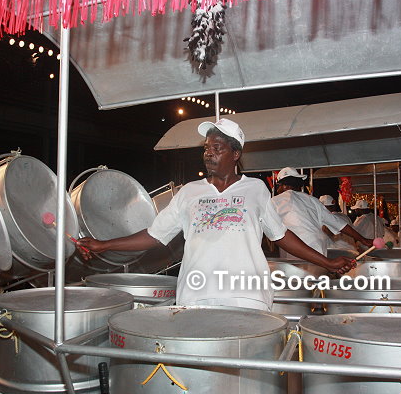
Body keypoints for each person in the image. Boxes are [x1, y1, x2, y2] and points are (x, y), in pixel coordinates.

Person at [75, 118, 355, 311]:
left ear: (236, 154)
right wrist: (104, 245)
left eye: (217, 148)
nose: (208, 154)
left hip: (247, 296)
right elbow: (154, 235)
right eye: (206, 148)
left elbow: (281, 236)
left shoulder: (256, 189)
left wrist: (327, 263)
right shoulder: (189, 192)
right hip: (197, 296)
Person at [271, 176, 373, 261]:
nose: (277, 189)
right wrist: (363, 239)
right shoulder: (312, 200)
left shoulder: (275, 201)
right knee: (317, 278)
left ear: (285, 186)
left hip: (296, 253)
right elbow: (337, 223)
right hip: (319, 252)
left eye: (278, 186)